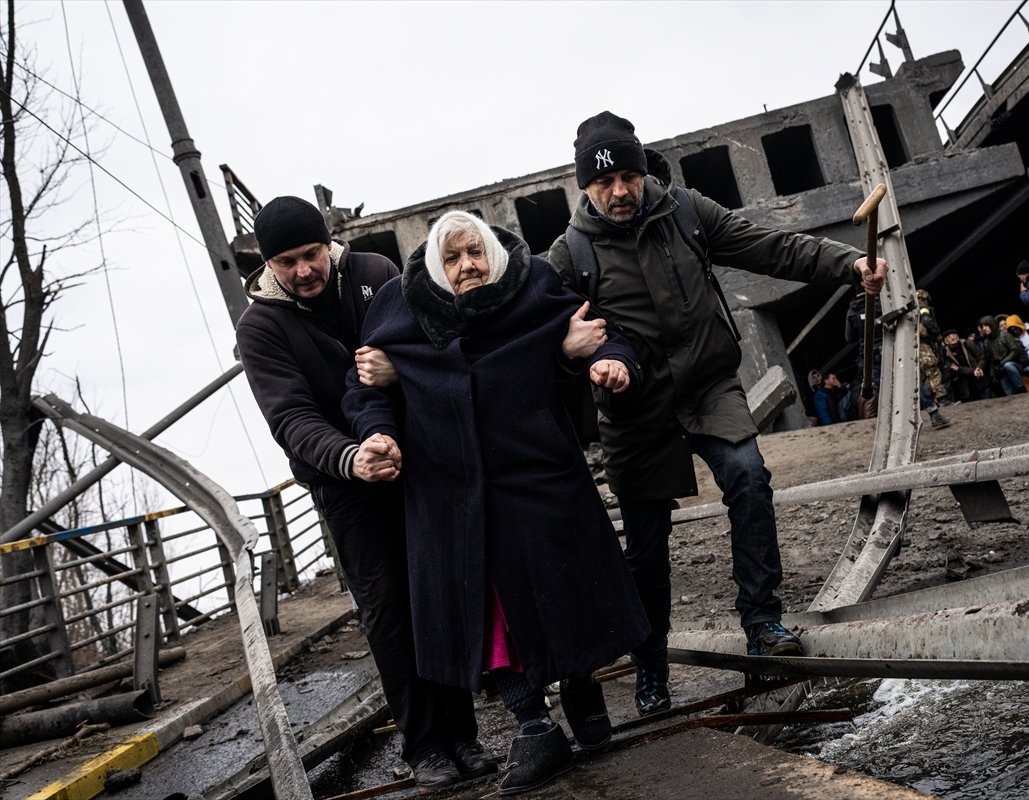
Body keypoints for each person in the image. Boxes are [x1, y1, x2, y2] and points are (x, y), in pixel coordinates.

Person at [546, 111, 888, 716]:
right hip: (633, 412)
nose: (619, 192)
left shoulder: (686, 211)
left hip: (709, 385)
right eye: (603, 183)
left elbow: (768, 245)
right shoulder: (567, 255)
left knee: (749, 478)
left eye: (627, 175)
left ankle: (762, 621)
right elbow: (548, 342)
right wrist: (578, 358)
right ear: (584, 187)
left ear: (641, 168)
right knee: (645, 547)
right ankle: (651, 662)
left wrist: (846, 264)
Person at [342, 211, 650, 796]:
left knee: (566, 591)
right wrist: (375, 431)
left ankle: (582, 686)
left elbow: (607, 336)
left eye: (475, 253)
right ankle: (534, 726)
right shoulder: (400, 307)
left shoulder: (532, 283)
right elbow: (363, 388)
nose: (468, 267)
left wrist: (610, 363)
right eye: (453, 258)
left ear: (493, 252)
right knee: (494, 621)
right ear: (436, 264)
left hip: (537, 474)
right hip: (449, 495)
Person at [235, 197, 489, 789]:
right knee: (387, 610)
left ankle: (464, 733)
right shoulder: (261, 329)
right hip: (343, 482)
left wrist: (399, 399)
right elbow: (291, 418)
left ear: (330, 245)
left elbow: (428, 345)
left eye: (311, 254)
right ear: (267, 264)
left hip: (417, 461)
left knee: (441, 591)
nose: (303, 271)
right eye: (285, 262)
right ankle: (425, 743)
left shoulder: (376, 275)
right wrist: (351, 457)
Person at [976, 315, 1028, 396]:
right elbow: (991, 360)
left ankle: (1021, 388)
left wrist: (1004, 361)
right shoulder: (986, 342)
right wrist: (992, 374)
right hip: (1000, 370)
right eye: (982, 327)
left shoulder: (1005, 335)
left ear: (991, 324)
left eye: (986, 325)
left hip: (1014, 364)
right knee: (1010, 394)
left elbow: (1015, 350)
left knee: (1008, 365)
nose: (984, 328)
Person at [916, 289, 949, 404]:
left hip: (916, 345)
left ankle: (931, 400)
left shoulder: (911, 309)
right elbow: (927, 321)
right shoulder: (922, 308)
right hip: (922, 344)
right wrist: (937, 334)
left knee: (924, 374)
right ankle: (942, 399)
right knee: (932, 369)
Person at [941, 328, 989, 401]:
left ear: (958, 336)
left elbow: (981, 357)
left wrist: (979, 367)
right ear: (945, 341)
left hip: (979, 379)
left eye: (954, 335)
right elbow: (956, 369)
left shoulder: (967, 343)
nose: (952, 337)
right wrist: (973, 371)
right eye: (949, 337)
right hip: (965, 387)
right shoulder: (945, 353)